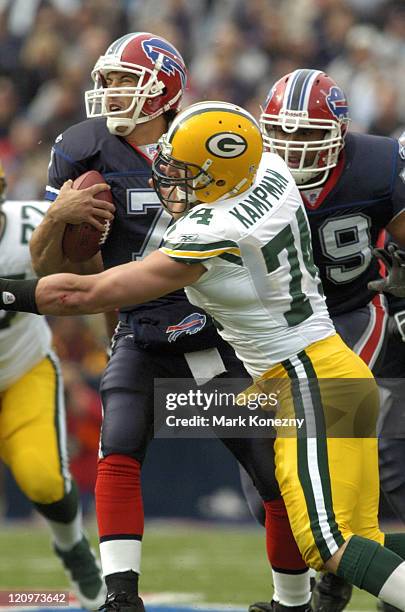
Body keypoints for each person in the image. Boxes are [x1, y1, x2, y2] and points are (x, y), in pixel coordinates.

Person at [3, 100, 405, 610]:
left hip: (306, 382)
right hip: (334, 369)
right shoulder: (274, 174)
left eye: (185, 171)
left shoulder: (211, 232)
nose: (170, 178)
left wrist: (6, 289)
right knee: (357, 536)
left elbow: (83, 294)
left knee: (326, 545)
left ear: (219, 174)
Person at [29, 34, 307, 612]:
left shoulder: (207, 136)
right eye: (106, 81)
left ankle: (292, 600)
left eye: (125, 81)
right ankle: (120, 595)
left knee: (271, 469)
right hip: (142, 324)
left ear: (166, 89)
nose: (110, 92)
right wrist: (57, 217)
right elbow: (47, 266)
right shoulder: (82, 148)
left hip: (219, 323)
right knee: (119, 446)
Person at [246, 68, 405, 612]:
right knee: (267, 482)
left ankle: (335, 575)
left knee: (341, 459)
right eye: (282, 136)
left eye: (309, 137)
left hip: (352, 316)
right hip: (280, 336)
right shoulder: (244, 171)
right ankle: (341, 573)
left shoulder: (379, 164)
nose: (292, 150)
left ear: (339, 132)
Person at [0, 161, 106, 610]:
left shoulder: (31, 223)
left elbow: (85, 281)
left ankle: (71, 543)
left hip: (21, 367)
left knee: (44, 478)